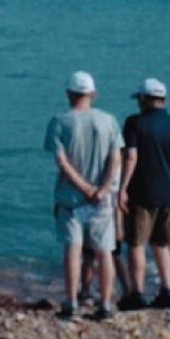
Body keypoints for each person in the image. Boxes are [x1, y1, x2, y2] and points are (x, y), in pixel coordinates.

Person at [46, 71, 125, 316]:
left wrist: (83, 187)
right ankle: (105, 304)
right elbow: (116, 157)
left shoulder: (59, 121)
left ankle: (71, 303)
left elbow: (62, 161)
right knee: (104, 252)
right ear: (93, 94)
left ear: (69, 93)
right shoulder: (109, 121)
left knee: (73, 251)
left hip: (71, 198)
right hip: (101, 199)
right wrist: (103, 187)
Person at [118, 77, 170, 310]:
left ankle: (136, 293)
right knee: (162, 245)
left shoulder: (134, 123)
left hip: (141, 192)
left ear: (143, 99)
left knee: (137, 244)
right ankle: (167, 291)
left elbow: (131, 156)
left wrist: (122, 188)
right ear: (164, 99)